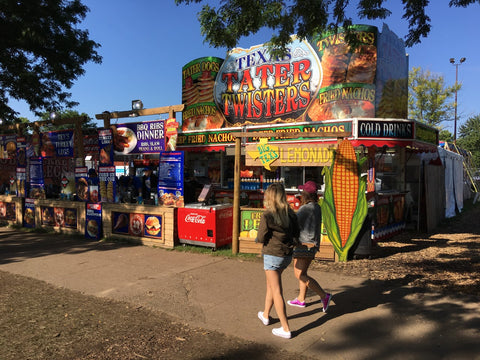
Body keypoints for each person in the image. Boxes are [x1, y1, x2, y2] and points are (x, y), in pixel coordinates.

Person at [256, 183, 299, 339]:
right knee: (271, 286)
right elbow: (296, 235)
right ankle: (266, 315)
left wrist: (260, 239)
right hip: (286, 255)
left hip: (272, 255)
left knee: (276, 291)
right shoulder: (291, 214)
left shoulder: (267, 215)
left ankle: (286, 328)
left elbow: (261, 237)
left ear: (270, 197)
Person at [287, 181, 332, 312]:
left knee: (299, 274)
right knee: (303, 272)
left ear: (306, 194)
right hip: (312, 244)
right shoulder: (316, 207)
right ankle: (301, 299)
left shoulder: (305, 208)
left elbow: (294, 223)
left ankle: (324, 295)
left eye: (302, 192)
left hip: (303, 244)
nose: (300, 195)